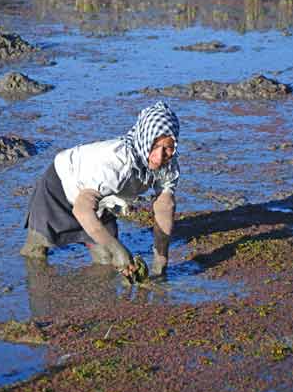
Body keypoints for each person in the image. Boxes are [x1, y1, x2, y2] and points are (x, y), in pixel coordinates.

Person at [20, 101, 180, 279]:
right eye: (154, 146)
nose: (159, 156)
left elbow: (165, 207)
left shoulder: (168, 165)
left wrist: (160, 263)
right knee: (37, 250)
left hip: (103, 200)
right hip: (61, 185)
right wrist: (118, 249)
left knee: (106, 259)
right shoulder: (117, 163)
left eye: (167, 148)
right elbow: (81, 209)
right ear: (144, 138)